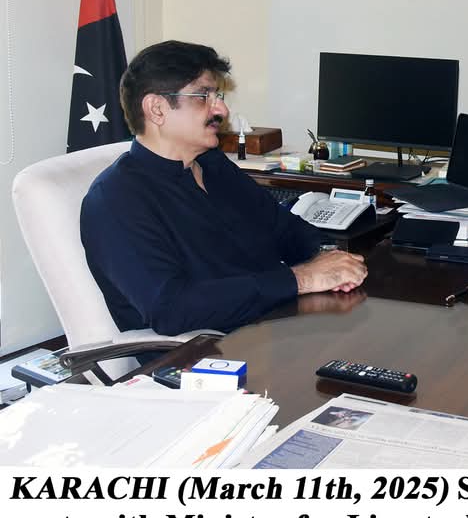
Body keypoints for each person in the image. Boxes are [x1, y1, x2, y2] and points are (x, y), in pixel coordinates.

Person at [81, 40, 369, 336]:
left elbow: (288, 231)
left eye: (216, 95)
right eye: (203, 96)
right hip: (206, 351)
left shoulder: (213, 166)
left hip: (276, 324)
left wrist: (330, 260)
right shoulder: (115, 199)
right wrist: (301, 279)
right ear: (156, 109)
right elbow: (171, 308)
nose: (221, 109)